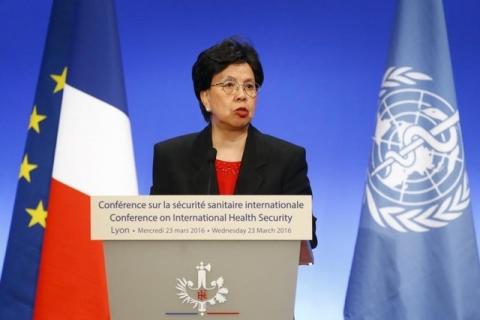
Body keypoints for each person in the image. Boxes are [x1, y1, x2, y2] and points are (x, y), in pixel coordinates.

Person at [150, 37, 317, 249]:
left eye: (250, 86)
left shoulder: (286, 159)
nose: (242, 95)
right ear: (206, 98)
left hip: (259, 277)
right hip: (191, 279)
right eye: (229, 85)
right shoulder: (171, 157)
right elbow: (154, 232)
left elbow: (307, 234)